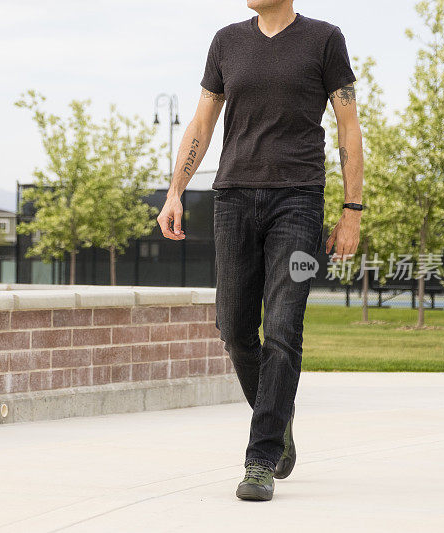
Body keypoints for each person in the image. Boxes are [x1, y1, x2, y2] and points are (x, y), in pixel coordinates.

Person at [157, 0, 364, 501]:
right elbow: (203, 124)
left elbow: (348, 125)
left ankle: (261, 457)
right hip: (232, 199)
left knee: (284, 327)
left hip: (300, 200)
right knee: (232, 327)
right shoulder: (227, 40)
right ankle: (278, 422)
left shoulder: (324, 38)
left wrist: (351, 209)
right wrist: (175, 191)